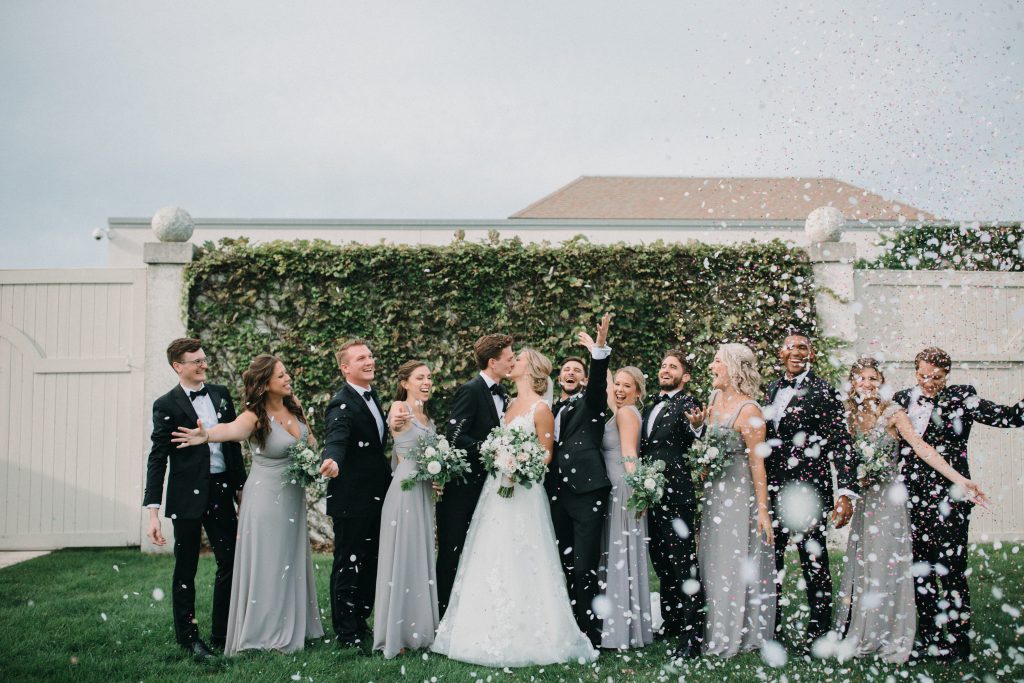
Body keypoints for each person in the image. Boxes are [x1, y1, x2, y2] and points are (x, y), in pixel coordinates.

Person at [430, 348, 598, 667]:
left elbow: (547, 454)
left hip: (524, 492)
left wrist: (520, 465)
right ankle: (479, 626)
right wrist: (500, 458)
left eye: (518, 359)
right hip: (496, 491)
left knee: (524, 554)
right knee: (489, 552)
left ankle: (533, 630)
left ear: (529, 369)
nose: (513, 362)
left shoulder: (541, 408)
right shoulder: (508, 405)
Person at [834, 356, 988, 664]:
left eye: (873, 379)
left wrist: (960, 480)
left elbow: (922, 448)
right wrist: (846, 492)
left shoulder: (893, 412)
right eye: (861, 379)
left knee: (892, 566)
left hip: (891, 500)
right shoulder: (848, 416)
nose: (867, 384)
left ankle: (895, 633)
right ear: (853, 383)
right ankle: (867, 631)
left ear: (881, 382)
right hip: (866, 503)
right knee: (866, 566)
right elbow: (842, 458)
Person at [171, 355, 325, 655]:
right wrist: (206, 436)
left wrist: (311, 460)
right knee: (269, 562)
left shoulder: (295, 406)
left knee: (289, 559)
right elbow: (231, 430)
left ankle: (293, 623)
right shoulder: (255, 415)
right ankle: (265, 631)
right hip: (266, 497)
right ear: (265, 384)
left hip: (293, 497)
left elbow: (312, 442)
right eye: (281, 375)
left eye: (286, 372)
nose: (287, 378)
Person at [893, 347, 1023, 662]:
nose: (929, 383)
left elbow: (1007, 417)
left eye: (936, 377)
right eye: (923, 375)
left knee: (951, 571)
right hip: (910, 499)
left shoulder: (962, 397)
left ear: (946, 375)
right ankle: (927, 639)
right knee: (919, 571)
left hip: (951, 497)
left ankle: (957, 642)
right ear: (915, 371)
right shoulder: (900, 399)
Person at [143, 338, 246, 661]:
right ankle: (189, 638)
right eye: (196, 361)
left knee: (229, 562)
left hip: (220, 492)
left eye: (204, 359)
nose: (204, 365)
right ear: (178, 366)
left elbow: (233, 447)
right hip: (186, 496)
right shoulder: (166, 405)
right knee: (185, 569)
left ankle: (222, 631)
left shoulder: (220, 394)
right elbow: (158, 457)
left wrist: (240, 491)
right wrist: (152, 511)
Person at [763, 329, 857, 652]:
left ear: (811, 354)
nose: (796, 352)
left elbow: (841, 443)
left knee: (814, 561)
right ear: (781, 353)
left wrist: (845, 491)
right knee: (771, 561)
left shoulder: (823, 391)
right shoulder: (773, 388)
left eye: (803, 347)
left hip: (809, 492)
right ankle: (770, 627)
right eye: (790, 346)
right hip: (775, 491)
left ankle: (818, 631)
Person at [687, 344, 776, 657]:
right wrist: (699, 428)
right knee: (712, 558)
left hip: (739, 496)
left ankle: (735, 631)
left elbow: (758, 464)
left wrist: (763, 511)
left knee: (734, 561)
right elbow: (708, 441)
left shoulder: (750, 411)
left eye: (717, 361)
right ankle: (712, 625)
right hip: (714, 493)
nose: (712, 366)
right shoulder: (713, 400)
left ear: (734, 368)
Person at [318, 340, 391, 648]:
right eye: (361, 358)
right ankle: (347, 633)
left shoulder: (372, 396)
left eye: (371, 356)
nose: (369, 361)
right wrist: (332, 458)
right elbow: (337, 436)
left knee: (371, 563)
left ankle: (361, 621)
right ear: (345, 368)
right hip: (351, 498)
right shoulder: (341, 403)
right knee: (349, 564)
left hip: (375, 496)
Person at [437, 333, 515, 616]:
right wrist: (487, 447)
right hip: (463, 487)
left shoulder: (504, 393)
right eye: (509, 358)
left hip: (488, 485)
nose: (513, 362)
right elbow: (454, 435)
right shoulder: (470, 390)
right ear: (493, 362)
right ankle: (444, 610)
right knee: (453, 549)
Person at [549, 314, 613, 646]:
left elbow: (600, 381)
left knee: (584, 565)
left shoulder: (591, 404)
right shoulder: (548, 408)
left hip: (587, 492)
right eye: (566, 370)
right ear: (558, 378)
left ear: (585, 380)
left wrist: (598, 350)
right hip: (554, 494)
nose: (570, 373)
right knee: (558, 560)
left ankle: (588, 631)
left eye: (577, 370)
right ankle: (563, 626)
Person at [640, 349, 705, 658]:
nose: (666, 370)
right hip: (650, 495)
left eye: (673, 367)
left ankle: (694, 634)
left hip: (676, 495)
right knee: (662, 562)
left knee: (682, 563)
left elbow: (696, 437)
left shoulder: (689, 405)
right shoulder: (650, 406)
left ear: (685, 376)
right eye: (663, 365)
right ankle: (672, 620)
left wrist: (697, 427)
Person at [372, 361, 440, 658]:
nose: (426, 382)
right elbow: (395, 422)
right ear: (405, 382)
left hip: (424, 492)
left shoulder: (426, 415)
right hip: (405, 492)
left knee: (418, 556)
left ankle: (419, 629)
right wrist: (397, 415)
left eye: (429, 378)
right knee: (401, 558)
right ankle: (395, 634)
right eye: (419, 378)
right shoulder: (400, 407)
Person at [598, 365, 653, 650]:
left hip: (623, 488)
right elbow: (608, 391)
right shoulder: (622, 410)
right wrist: (599, 353)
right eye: (617, 384)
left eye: (626, 386)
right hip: (619, 487)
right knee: (619, 552)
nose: (619, 390)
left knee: (619, 552)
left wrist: (639, 491)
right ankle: (623, 623)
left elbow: (630, 454)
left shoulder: (626, 414)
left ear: (638, 392)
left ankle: (620, 629)